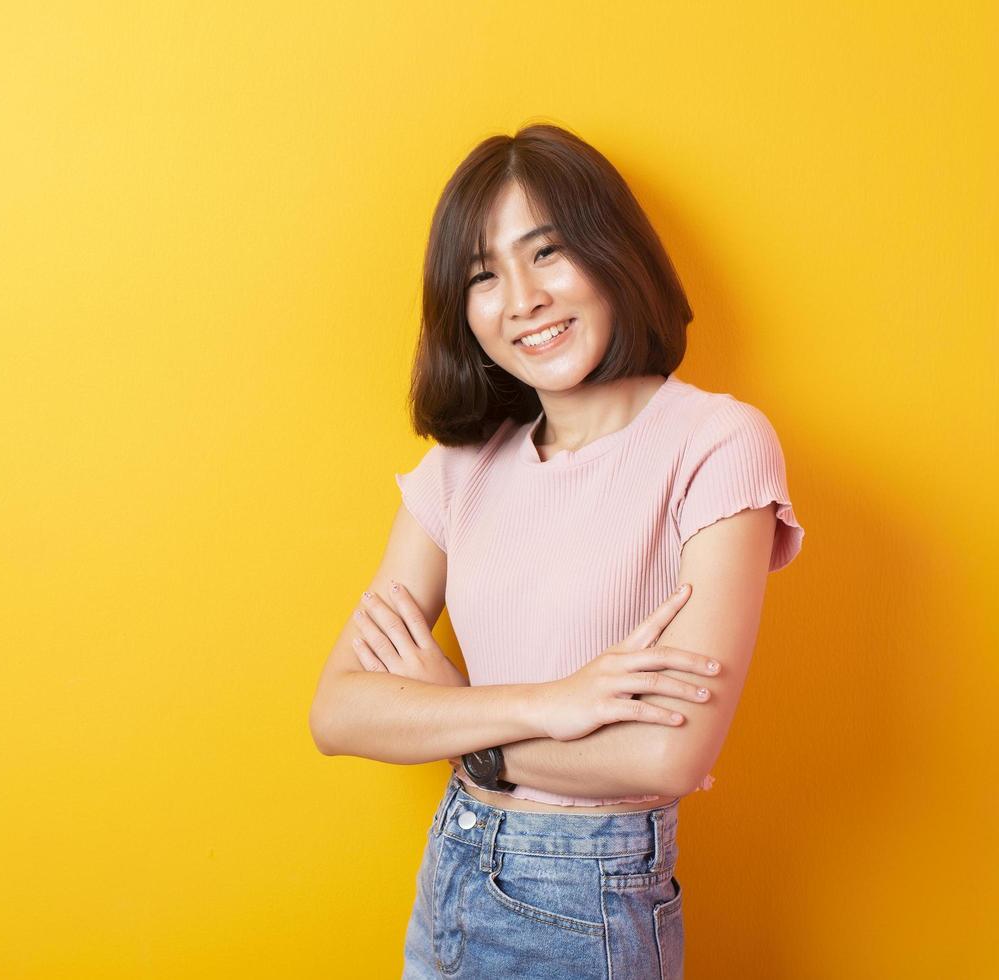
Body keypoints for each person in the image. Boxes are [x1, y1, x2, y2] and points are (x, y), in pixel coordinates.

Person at [307, 123, 805, 979]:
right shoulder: (460, 467)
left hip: (585, 894)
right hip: (452, 872)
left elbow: (666, 756)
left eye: (548, 252)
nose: (522, 299)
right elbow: (340, 712)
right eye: (483, 275)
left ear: (614, 255)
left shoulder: (715, 443)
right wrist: (554, 702)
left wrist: (457, 722)